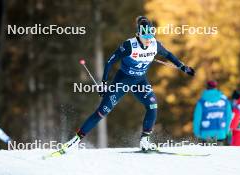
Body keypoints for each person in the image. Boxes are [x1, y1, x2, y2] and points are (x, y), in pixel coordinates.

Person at [63, 16, 195, 151]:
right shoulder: (129, 46)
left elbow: (169, 55)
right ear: (138, 35)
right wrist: (103, 83)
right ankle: (76, 140)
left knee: (152, 106)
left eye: (151, 36)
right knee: (102, 111)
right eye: (145, 36)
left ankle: (145, 140)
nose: (148, 40)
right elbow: (109, 62)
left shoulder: (155, 45)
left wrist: (183, 67)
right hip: (122, 81)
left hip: (140, 81)